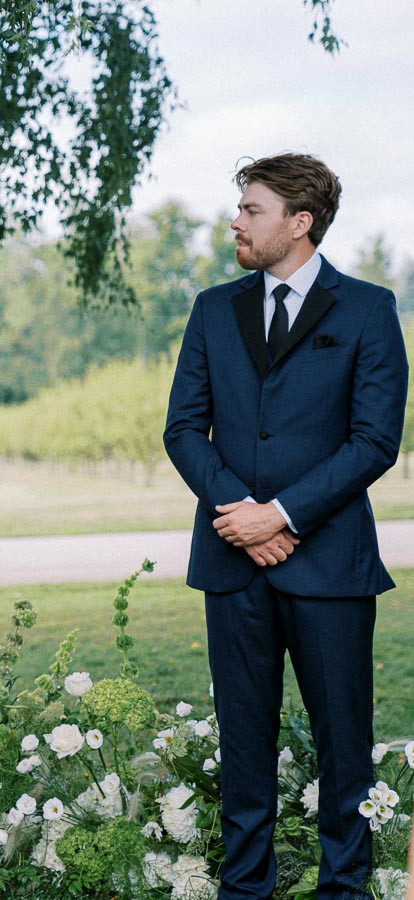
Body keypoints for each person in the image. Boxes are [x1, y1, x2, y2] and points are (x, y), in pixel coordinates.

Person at [163, 153, 408, 899]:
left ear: (300, 223)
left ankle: (344, 888)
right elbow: (181, 430)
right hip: (232, 561)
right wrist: (245, 517)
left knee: (344, 747)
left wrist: (284, 514)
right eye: (240, 209)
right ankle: (245, 889)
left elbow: (374, 441)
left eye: (252, 210)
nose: (236, 222)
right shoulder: (212, 308)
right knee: (243, 743)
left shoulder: (368, 309)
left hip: (329, 562)